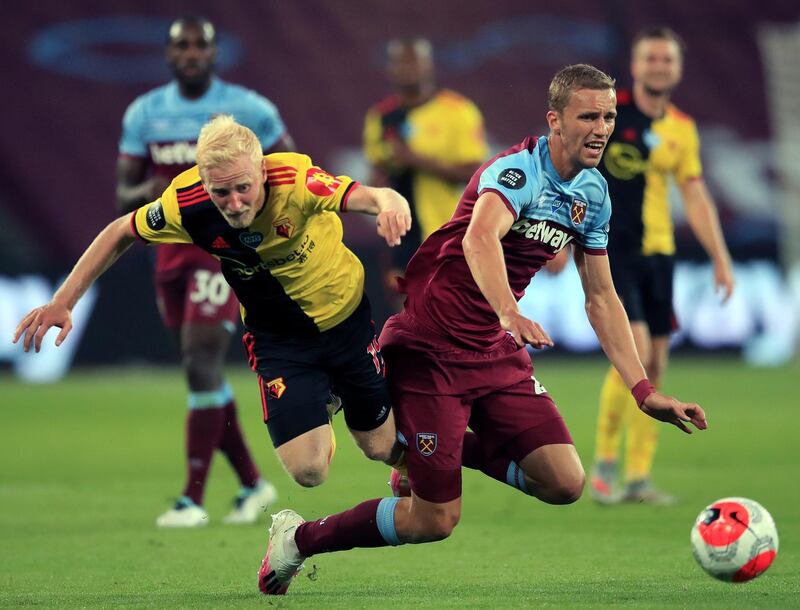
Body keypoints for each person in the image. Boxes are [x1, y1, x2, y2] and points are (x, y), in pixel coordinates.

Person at [254, 64, 708, 596]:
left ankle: (417, 444)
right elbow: (479, 240)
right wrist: (508, 312)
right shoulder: (515, 171)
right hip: (431, 350)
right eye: (588, 115)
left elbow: (602, 297)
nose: (602, 128)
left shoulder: (594, 192)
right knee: (434, 521)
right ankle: (298, 540)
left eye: (608, 116)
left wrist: (643, 390)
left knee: (564, 484)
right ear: (555, 121)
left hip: (494, 355)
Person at [14, 115, 412, 522]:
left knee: (379, 448)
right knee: (308, 473)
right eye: (221, 192)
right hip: (278, 340)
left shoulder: (297, 181)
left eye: (244, 187)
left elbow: (371, 194)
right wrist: (63, 301)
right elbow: (121, 231)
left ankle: (382, 435)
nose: (235, 203)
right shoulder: (184, 205)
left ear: (261, 169)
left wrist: (390, 204)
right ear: (203, 181)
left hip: (344, 322)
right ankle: (324, 394)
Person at [116, 16, 295, 527]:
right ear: (169, 55)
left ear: (215, 54)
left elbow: (294, 170)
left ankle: (192, 499)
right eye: (182, 46)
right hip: (168, 253)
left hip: (223, 253)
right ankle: (252, 484)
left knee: (200, 361)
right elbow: (123, 195)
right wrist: (149, 193)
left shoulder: (251, 110)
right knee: (202, 372)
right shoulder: (144, 114)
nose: (191, 54)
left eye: (200, 46)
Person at [589, 27, 734, 505]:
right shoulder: (610, 117)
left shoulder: (681, 127)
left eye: (666, 59)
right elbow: (576, 171)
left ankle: (637, 477)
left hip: (660, 254)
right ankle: (606, 465)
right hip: (614, 248)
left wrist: (719, 256)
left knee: (658, 361)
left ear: (677, 68)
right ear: (635, 65)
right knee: (636, 354)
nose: (659, 66)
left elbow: (693, 192)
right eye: (651, 58)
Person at [363, 38, 488, 309]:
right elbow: (377, 170)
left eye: (414, 62)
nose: (407, 69)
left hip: (447, 227)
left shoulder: (457, 111)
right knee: (406, 307)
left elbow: (474, 173)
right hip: (401, 231)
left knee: (449, 308)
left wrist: (416, 160)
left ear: (429, 66)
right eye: (400, 62)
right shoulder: (381, 116)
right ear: (390, 69)